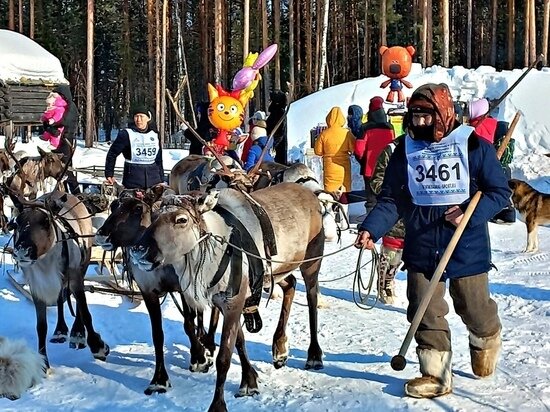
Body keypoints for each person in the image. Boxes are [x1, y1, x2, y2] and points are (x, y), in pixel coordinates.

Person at [355, 83, 510, 398]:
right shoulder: (406, 151)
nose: (420, 124)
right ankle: (436, 373)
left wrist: (469, 212)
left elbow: (499, 192)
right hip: (422, 242)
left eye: (427, 117)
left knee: (473, 307)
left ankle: (486, 337)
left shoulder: (472, 147)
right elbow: (392, 199)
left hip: (465, 244)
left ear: (444, 113)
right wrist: (372, 228)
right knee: (423, 307)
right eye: (415, 116)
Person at [369, 132, 405, 304]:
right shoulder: (391, 150)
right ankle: (384, 283)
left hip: (417, 218)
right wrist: (393, 194)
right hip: (394, 214)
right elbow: (376, 180)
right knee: (391, 255)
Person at [105, 104, 164, 189]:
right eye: (136, 116)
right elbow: (112, 154)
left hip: (154, 181)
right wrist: (109, 174)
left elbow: (158, 159)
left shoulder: (154, 134)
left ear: (148, 118)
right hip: (132, 181)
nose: (138, 120)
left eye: (141, 116)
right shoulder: (126, 134)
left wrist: (161, 178)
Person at [354, 96, 395, 212]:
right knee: (386, 196)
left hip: (369, 168)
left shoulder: (365, 128)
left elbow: (358, 150)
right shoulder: (390, 127)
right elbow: (393, 145)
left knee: (371, 198)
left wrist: (363, 161)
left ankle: (370, 225)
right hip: (388, 166)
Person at [45, 84, 80, 194]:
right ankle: (62, 192)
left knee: (66, 169)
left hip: (66, 141)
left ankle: (76, 193)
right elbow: (47, 121)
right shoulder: (57, 106)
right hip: (56, 141)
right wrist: (49, 127)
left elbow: (66, 122)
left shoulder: (71, 107)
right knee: (58, 169)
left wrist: (54, 125)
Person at [314, 107, 355, 192]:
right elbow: (353, 148)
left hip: (329, 166)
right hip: (344, 166)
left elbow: (318, 151)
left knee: (330, 190)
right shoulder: (347, 133)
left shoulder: (323, 134)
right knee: (345, 188)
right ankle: (344, 203)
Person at [266, 91, 288, 165]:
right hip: (272, 141)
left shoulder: (279, 113)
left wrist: (273, 143)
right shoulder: (275, 112)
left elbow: (280, 131)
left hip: (276, 145)